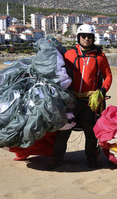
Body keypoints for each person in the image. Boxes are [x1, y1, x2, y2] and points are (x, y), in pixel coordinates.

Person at [47, 24, 113, 170]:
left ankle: (91, 160)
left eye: (89, 36)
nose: (86, 39)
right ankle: (56, 159)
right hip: (71, 100)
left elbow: (108, 75)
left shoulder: (100, 57)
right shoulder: (69, 54)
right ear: (78, 38)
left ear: (93, 38)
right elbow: (58, 71)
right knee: (64, 130)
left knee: (91, 132)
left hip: (90, 101)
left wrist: (102, 90)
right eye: (83, 36)